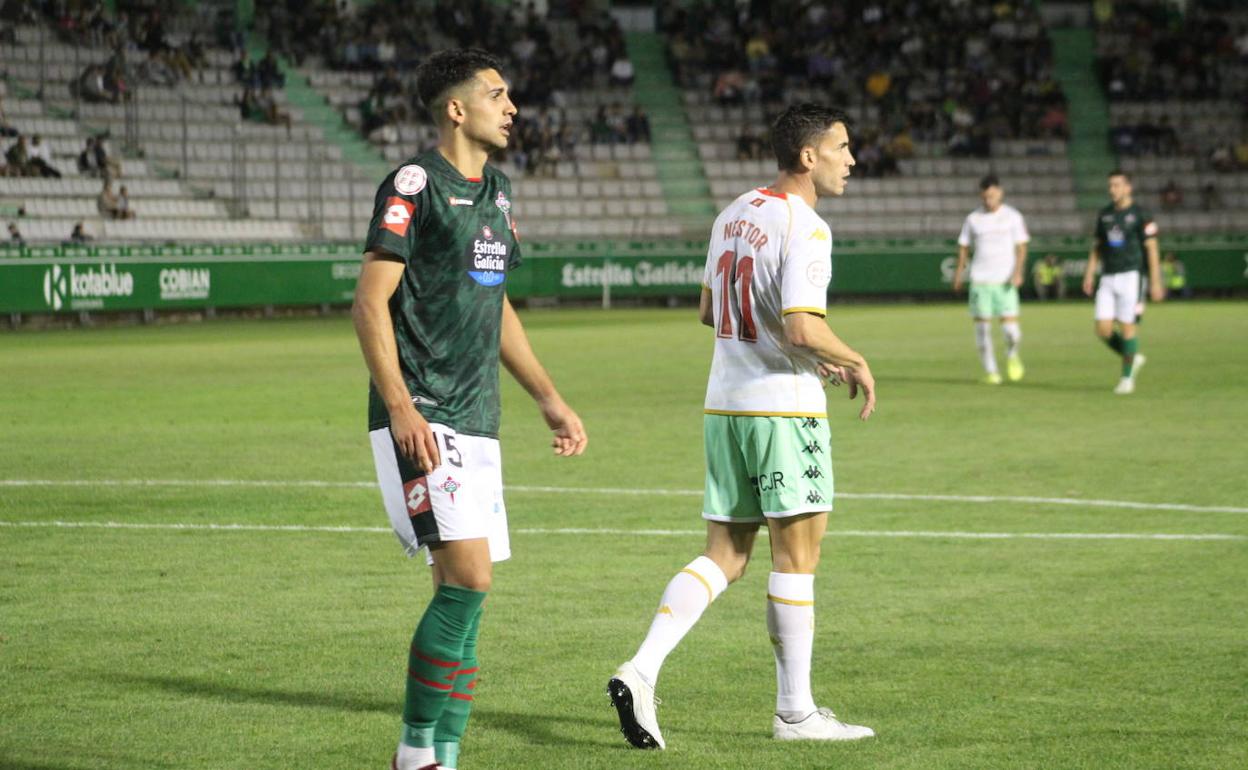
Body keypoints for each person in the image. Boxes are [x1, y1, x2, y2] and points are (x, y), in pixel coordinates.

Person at [608, 104, 877, 750]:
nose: (852, 159)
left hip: (725, 403)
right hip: (783, 410)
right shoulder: (807, 226)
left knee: (725, 556)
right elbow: (803, 325)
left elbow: (709, 310)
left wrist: (809, 352)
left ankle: (641, 670)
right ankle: (795, 712)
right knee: (798, 557)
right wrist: (850, 357)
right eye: (842, 147)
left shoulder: (734, 213)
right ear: (808, 157)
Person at [351, 48, 587, 770]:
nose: (512, 107)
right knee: (471, 580)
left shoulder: (499, 192)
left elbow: (498, 306)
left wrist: (548, 398)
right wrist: (400, 407)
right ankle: (415, 751)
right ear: (458, 109)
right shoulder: (415, 183)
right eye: (497, 94)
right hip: (424, 413)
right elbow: (369, 302)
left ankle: (444, 753)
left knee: (467, 592)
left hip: (479, 417)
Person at [1082, 169, 1164, 395]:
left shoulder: (1140, 214)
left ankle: (1126, 379)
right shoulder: (1105, 215)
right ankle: (1133, 357)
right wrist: (1090, 273)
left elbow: (1152, 248)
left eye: (1117, 185)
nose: (1113, 190)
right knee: (1103, 329)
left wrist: (1156, 282)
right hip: (1108, 276)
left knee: (1127, 326)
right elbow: (1097, 246)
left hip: (1132, 276)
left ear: (1128, 188)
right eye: (1110, 185)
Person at [953, 175, 1030, 384]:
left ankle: (1012, 354)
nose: (989, 201)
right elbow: (963, 247)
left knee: (1011, 331)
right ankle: (991, 371)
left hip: (1005, 282)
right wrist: (959, 273)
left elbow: (1021, 248)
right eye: (985, 197)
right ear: (981, 195)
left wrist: (1018, 272)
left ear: (1000, 193)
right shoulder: (973, 219)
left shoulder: (1013, 217)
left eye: (992, 196)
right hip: (980, 281)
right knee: (982, 329)